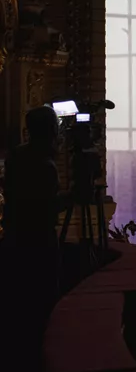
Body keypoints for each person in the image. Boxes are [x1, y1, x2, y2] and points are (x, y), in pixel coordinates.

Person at [2, 106, 66, 300]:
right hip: (39, 240)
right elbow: (45, 207)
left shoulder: (16, 156)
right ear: (51, 130)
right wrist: (73, 197)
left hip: (14, 237)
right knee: (42, 295)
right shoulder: (45, 166)